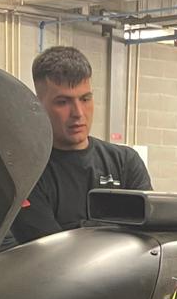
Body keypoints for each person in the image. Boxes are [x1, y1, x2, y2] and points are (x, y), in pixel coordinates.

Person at [11, 46, 151, 244]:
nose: (78, 112)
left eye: (85, 99)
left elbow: (147, 237)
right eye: (62, 102)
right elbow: (51, 252)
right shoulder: (27, 174)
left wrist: (80, 230)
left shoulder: (125, 162)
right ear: (38, 105)